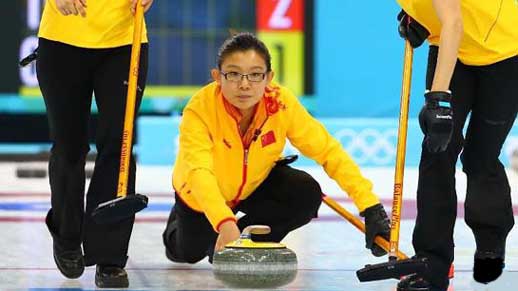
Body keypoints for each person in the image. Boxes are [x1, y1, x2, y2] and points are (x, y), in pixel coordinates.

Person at [162, 32, 391, 264]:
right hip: (199, 194)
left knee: (305, 192)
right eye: (233, 74)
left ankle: (245, 243)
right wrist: (224, 222)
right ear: (217, 77)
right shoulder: (199, 110)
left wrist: (370, 206)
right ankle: (180, 226)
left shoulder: (281, 104)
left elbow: (328, 151)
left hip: (255, 184)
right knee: (186, 254)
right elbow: (199, 172)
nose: (244, 84)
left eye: (255, 75)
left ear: (269, 77)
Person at [395, 1, 518, 290]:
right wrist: (420, 17)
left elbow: (454, 21)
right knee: (437, 148)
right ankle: (432, 261)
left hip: (506, 53)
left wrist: (438, 98)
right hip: (453, 49)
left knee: (480, 156)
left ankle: (491, 239)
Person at [35, 0, 153, 288]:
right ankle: (67, 234)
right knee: (68, 147)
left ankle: (109, 257)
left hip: (125, 39)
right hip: (61, 41)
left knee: (118, 146)